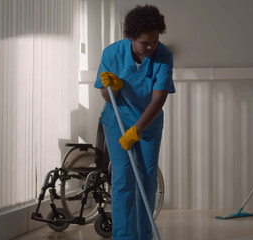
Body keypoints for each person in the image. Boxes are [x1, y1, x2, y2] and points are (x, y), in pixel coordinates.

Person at [94, 4, 174, 240]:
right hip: (117, 122)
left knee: (147, 178)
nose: (150, 47)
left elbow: (159, 99)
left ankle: (143, 234)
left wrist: (136, 130)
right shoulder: (111, 54)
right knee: (123, 178)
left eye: (154, 41)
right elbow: (107, 96)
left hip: (148, 123)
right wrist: (113, 88)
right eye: (144, 42)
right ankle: (123, 236)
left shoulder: (164, 56)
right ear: (131, 37)